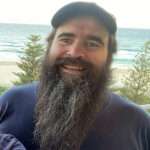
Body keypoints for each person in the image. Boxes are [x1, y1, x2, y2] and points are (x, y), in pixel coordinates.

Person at [0, 1, 150, 150]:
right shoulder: (10, 102)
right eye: (65, 40)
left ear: (109, 55)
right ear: (50, 45)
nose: (74, 52)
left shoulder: (138, 124)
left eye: (92, 44)